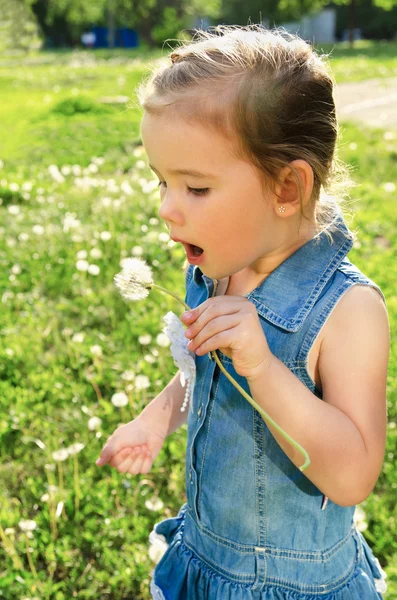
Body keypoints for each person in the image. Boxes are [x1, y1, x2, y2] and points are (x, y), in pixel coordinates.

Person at [96, 25, 390, 599]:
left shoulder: (348, 310)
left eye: (196, 189)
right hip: (204, 559)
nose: (166, 211)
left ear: (287, 187)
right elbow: (200, 368)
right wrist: (156, 418)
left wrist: (264, 367)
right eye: (163, 183)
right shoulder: (215, 269)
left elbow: (353, 474)